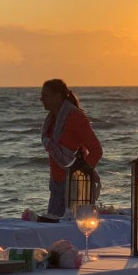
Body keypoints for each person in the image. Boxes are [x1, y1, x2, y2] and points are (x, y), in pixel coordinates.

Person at [41, 79, 103, 217]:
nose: (41, 99)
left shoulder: (75, 117)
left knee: (74, 229)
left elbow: (96, 150)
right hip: (56, 184)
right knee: (53, 230)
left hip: (74, 186)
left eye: (45, 95)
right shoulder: (50, 120)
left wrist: (81, 177)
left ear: (57, 96)